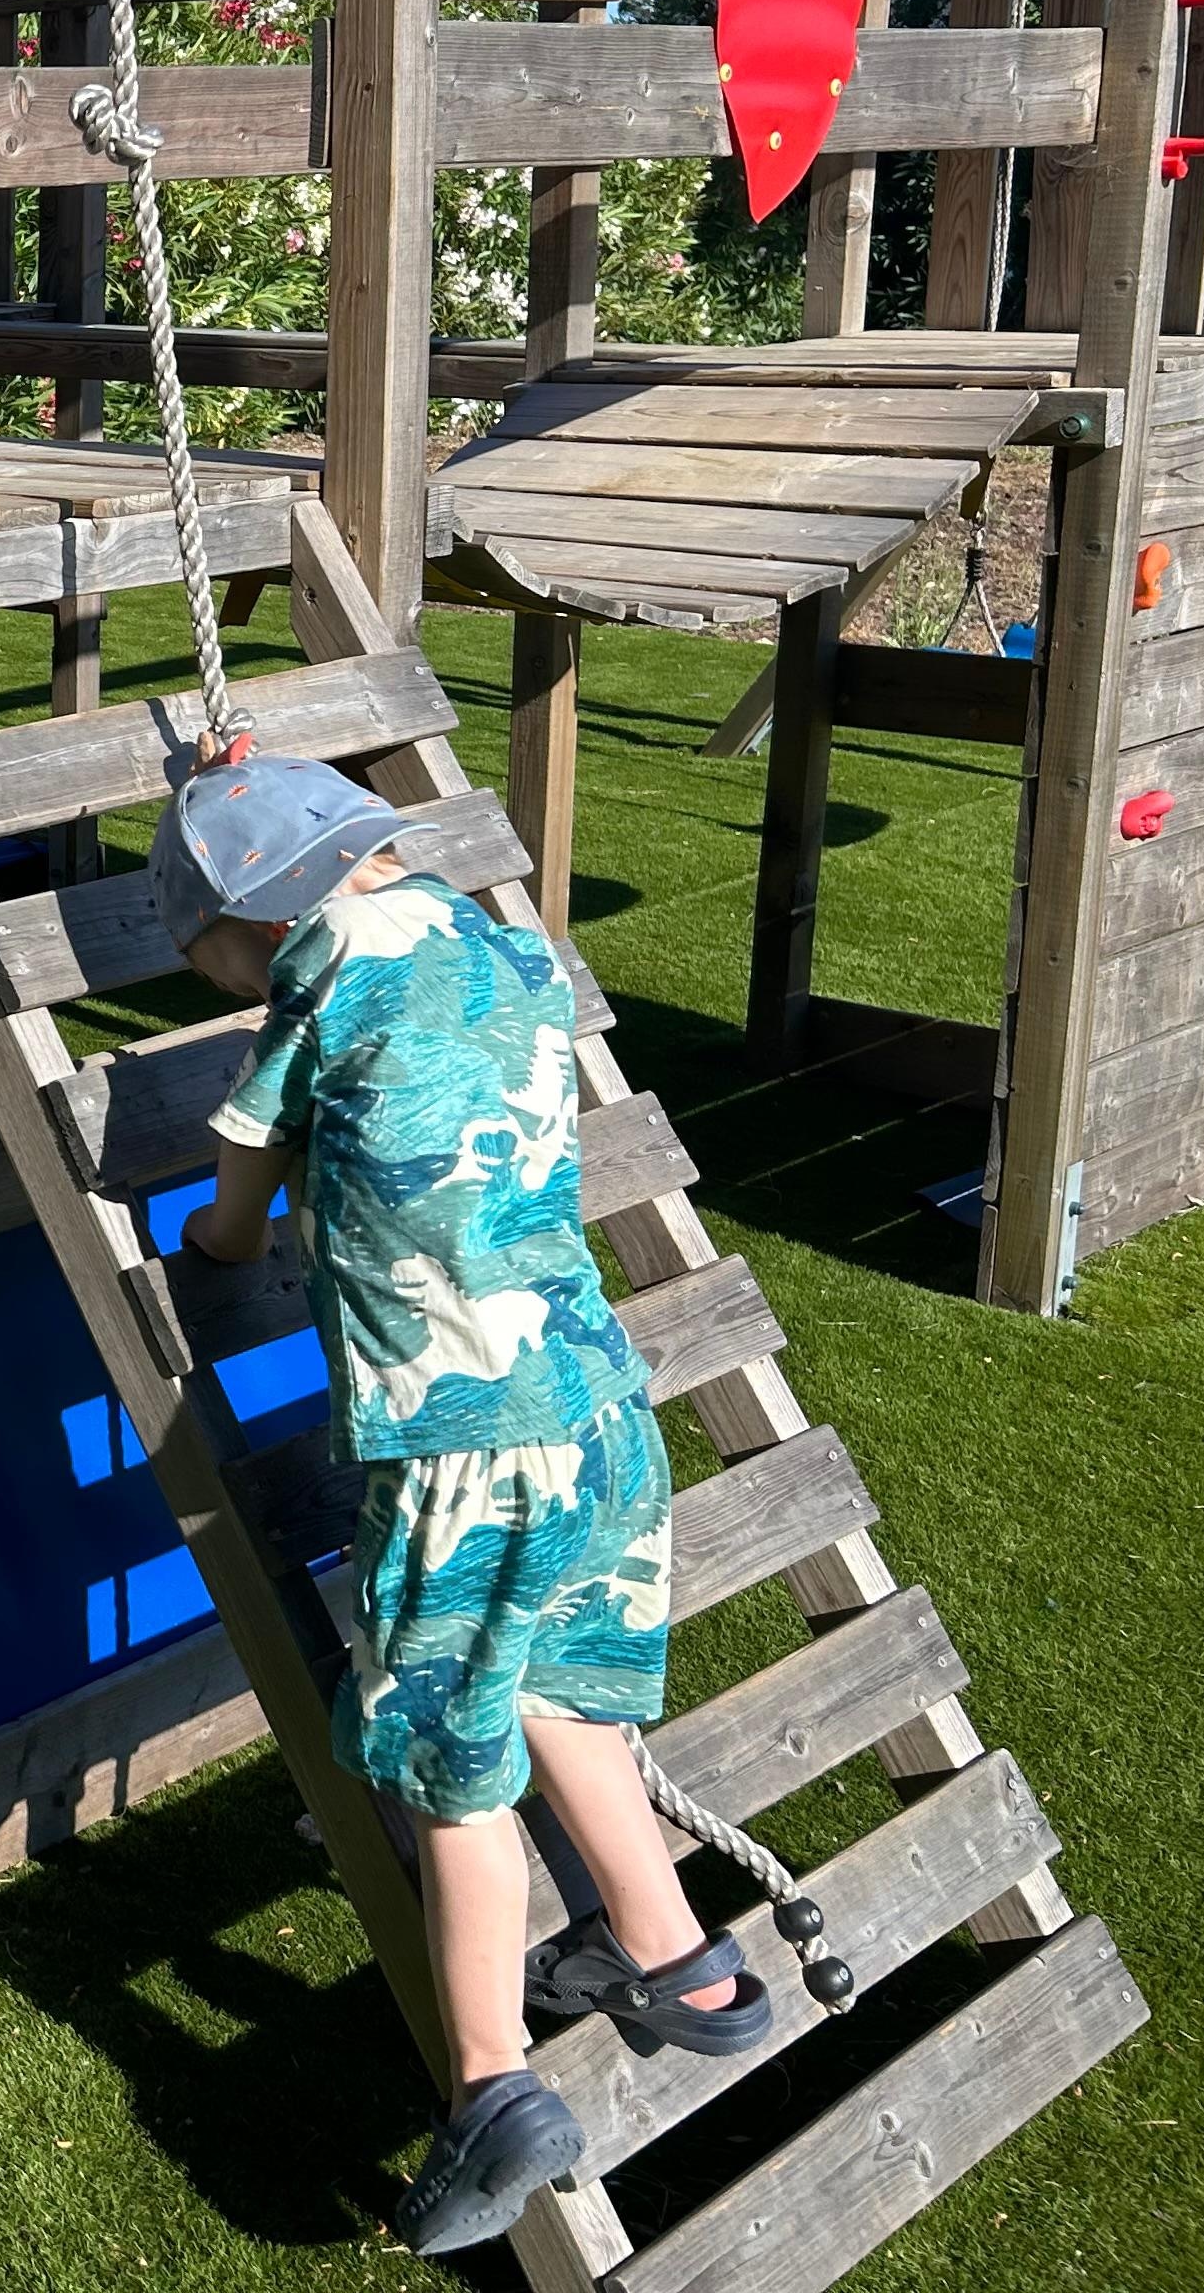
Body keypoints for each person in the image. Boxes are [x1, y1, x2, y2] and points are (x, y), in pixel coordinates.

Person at [155, 749, 769, 2257]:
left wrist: (225, 1245)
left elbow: (247, 1153)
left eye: (215, 959)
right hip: (601, 1408)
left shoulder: (321, 976)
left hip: (464, 1443)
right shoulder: (503, 942)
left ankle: (491, 2083)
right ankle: (675, 1955)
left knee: (452, 1766)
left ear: (255, 924)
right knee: (559, 1688)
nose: (228, 982)